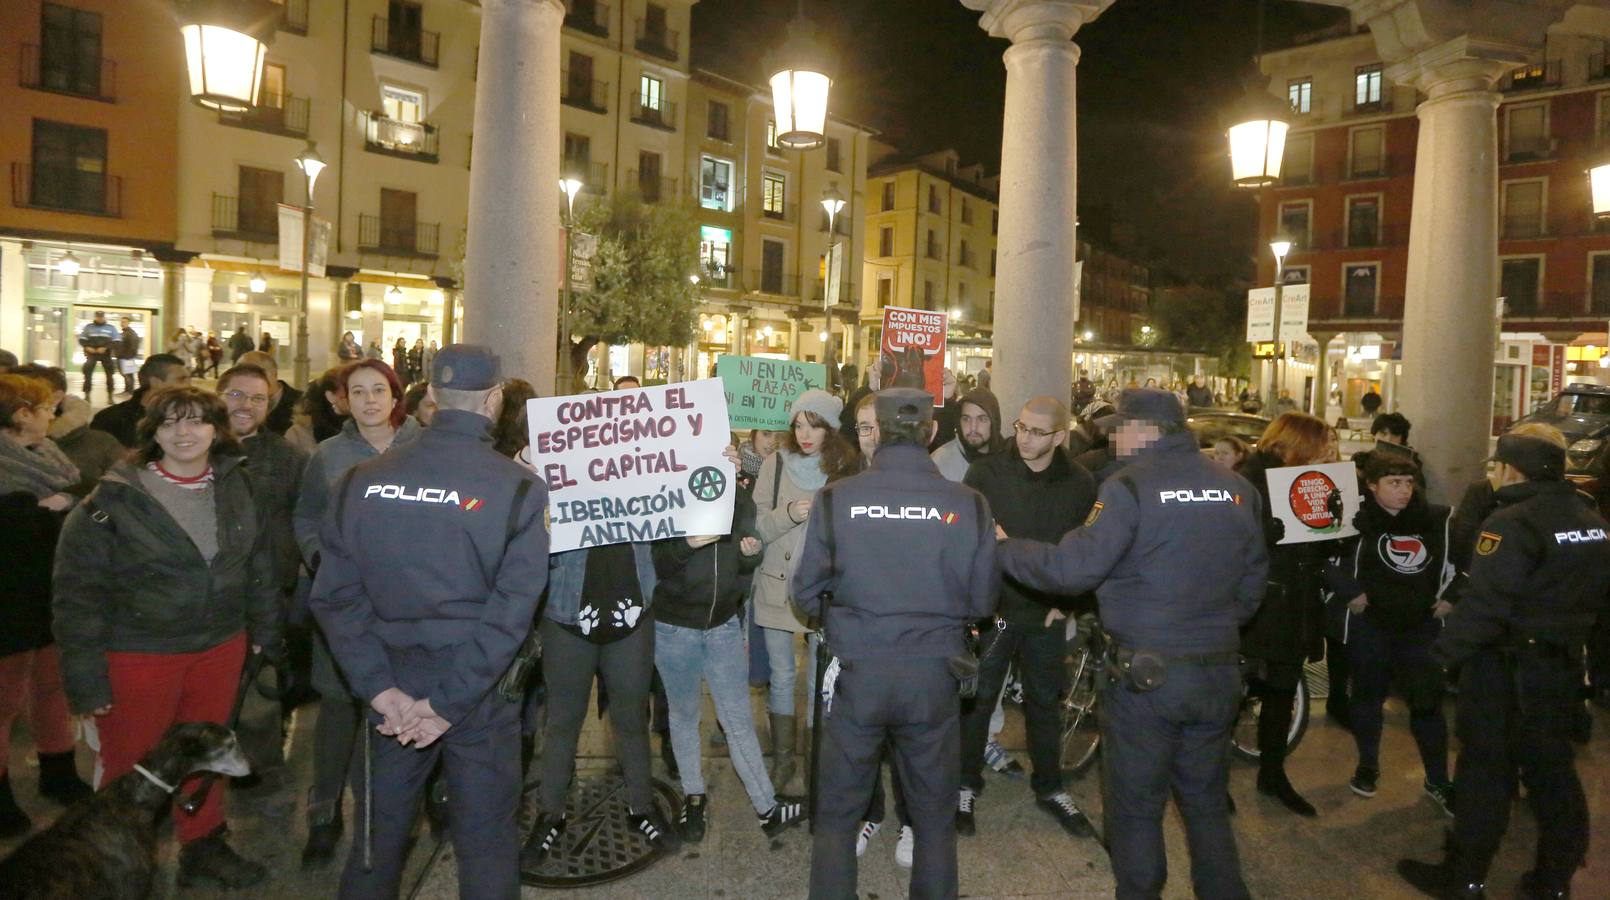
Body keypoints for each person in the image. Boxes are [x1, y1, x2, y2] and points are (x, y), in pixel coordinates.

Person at [997, 387, 1268, 900]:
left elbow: (1072, 570)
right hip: (1217, 673)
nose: (1114, 437)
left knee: (1136, 806)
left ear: (1147, 429)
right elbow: (1253, 585)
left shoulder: (1129, 488)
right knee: (1207, 803)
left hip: (1147, 680)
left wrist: (1005, 548)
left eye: (1120, 427)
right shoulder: (1236, 488)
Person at [310, 345, 548, 899]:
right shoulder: (517, 489)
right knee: (487, 845)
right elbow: (511, 614)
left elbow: (335, 599)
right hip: (480, 692)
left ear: (431, 397)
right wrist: (446, 705)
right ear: (493, 401)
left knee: (377, 844)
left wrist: (380, 690)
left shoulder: (359, 481)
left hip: (389, 685)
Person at [53, 386, 280, 889]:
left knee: (207, 753)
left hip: (219, 646)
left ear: (215, 430)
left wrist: (265, 632)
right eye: (171, 422)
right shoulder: (111, 501)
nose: (184, 432)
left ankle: (202, 845)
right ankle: (113, 868)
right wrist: (86, 684)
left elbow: (257, 565)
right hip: (139, 653)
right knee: (130, 768)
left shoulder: (235, 484)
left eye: (197, 421)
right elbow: (76, 598)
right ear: (152, 432)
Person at [792, 386, 999, 900]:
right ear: (931, 431)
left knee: (839, 814)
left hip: (859, 672)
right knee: (933, 816)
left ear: (877, 432)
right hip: (934, 677)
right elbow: (983, 599)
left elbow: (806, 590)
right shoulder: (967, 503)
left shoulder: (837, 498)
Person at [1398, 428, 1610, 900]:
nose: (1491, 475)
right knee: (1554, 775)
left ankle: (1465, 878)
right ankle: (1554, 880)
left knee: (1484, 775)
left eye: (1494, 466)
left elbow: (1485, 606)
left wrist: (1438, 662)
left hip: (1505, 671)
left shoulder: (1510, 522)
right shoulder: (1590, 517)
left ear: (1511, 470)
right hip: (1560, 670)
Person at [293, 359, 423, 869]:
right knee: (339, 705)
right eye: (358, 391)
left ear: (395, 397)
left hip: (410, 603)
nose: (369, 400)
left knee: (405, 704)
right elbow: (305, 516)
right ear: (343, 399)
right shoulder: (327, 455)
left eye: (379, 390)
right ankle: (324, 811)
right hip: (344, 602)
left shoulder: (424, 447)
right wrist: (319, 557)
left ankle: (395, 816)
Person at [958, 396, 1097, 838]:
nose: (1024, 437)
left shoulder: (1080, 484)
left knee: (1044, 704)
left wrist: (1069, 603)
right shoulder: (987, 472)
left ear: (1060, 436)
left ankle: (1051, 786)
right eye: (1021, 426)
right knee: (977, 700)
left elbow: (1087, 552)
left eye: (1037, 432)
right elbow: (965, 537)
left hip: (1046, 615)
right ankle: (964, 784)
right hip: (994, 610)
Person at [651, 476, 806, 843]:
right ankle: (694, 794)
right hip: (674, 628)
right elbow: (656, 562)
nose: (729, 457)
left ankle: (767, 807)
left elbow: (742, 563)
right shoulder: (667, 490)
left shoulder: (740, 499)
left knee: (737, 720)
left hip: (722, 626)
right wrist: (686, 544)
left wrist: (751, 553)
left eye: (731, 451)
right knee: (684, 716)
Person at [1323, 454, 1455, 814]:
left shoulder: (1437, 519)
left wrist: (1450, 599)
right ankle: (1367, 765)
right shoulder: (1353, 519)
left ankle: (1438, 779)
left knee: (1427, 702)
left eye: (1408, 483)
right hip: (1371, 625)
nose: (1403, 491)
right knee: (1367, 697)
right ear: (1372, 485)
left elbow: (1465, 564)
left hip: (1419, 626)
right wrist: (1351, 592)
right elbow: (1324, 559)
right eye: (1394, 483)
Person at [0, 374, 94, 838]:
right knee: (4, 700)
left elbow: (82, 495)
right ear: (21, 416)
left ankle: (58, 772)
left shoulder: (47, 456)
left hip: (52, 594)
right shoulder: (6, 469)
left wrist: (59, 507)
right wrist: (44, 513)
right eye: (43, 408)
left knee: (53, 689)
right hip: (9, 601)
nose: (51, 415)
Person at [752, 389, 854, 796]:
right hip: (776, 586)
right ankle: (782, 760)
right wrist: (788, 514)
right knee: (781, 676)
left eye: (814, 425)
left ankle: (815, 760)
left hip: (822, 590)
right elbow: (755, 527)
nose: (805, 433)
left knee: (818, 680)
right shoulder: (774, 465)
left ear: (830, 429)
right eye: (798, 424)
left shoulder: (845, 469)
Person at [1237, 412, 1339, 818]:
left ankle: (1273, 771)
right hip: (1259, 603)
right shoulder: (1251, 481)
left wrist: (1342, 528)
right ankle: (1211, 778)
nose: (1330, 455)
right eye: (1323, 447)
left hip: (1296, 601)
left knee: (1283, 690)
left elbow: (1323, 548)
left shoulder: (1316, 483)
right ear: (1296, 444)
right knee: (1234, 690)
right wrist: (1267, 534)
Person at [217, 364, 309, 782]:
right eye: (237, 395)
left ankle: (256, 770)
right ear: (218, 395)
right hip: (210, 590)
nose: (246, 406)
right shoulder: (194, 445)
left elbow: (302, 518)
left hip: (268, 589)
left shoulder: (286, 457)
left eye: (257, 398)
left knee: (260, 685)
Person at [11, 364, 123, 496]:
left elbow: (121, 494)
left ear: (56, 397)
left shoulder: (100, 443)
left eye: (26, 396)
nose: (9, 402)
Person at [91, 353, 191, 447]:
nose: (189, 386)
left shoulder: (196, 416)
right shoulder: (110, 420)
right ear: (155, 382)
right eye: (181, 380)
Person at [929, 387, 1004, 482]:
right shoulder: (938, 463)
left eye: (981, 419)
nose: (973, 428)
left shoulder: (1010, 461)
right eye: (966, 419)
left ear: (994, 422)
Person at [238, 350, 303, 437]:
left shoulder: (303, 403)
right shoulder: (232, 403)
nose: (246, 381)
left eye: (254, 374)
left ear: (274, 373)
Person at [78, 311, 120, 402]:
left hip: (106, 354)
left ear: (104, 317)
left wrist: (105, 348)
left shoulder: (111, 328)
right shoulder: (88, 327)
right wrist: (87, 347)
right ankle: (87, 395)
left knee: (110, 374)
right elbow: (81, 339)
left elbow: (117, 341)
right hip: (92, 353)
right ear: (95, 317)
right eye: (98, 317)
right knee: (87, 373)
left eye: (101, 317)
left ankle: (110, 396)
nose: (100, 318)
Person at [114, 316, 141, 395]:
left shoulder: (130, 333)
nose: (122, 323)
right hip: (122, 357)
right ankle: (127, 390)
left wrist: (129, 356)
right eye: (122, 322)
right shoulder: (124, 333)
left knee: (128, 374)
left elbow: (133, 345)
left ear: (128, 323)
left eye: (124, 322)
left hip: (127, 357)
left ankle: (129, 391)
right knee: (126, 374)